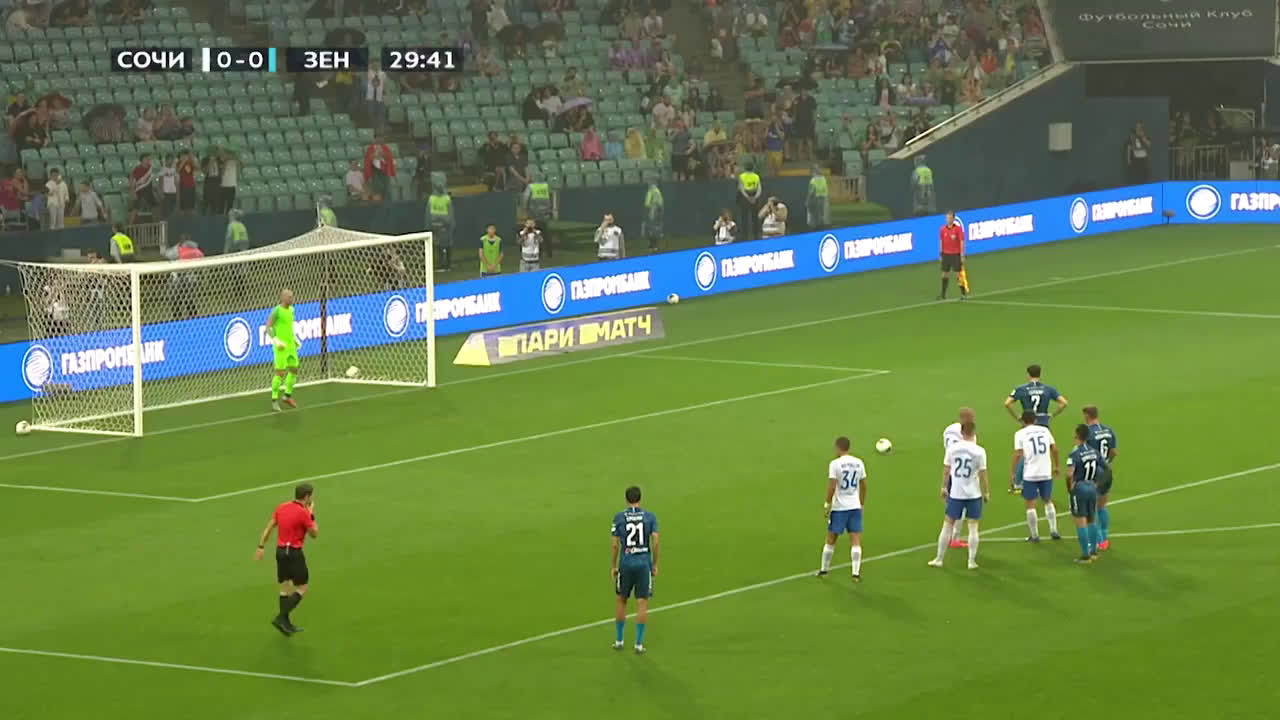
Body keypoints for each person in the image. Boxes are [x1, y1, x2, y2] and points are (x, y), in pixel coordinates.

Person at [253, 482, 318, 635]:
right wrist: (311, 514)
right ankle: (281, 618)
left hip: (280, 552)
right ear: (307, 496)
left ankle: (285, 623)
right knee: (302, 588)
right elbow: (314, 534)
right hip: (294, 553)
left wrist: (261, 546)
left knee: (285, 588)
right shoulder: (303, 512)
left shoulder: (281, 507)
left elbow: (269, 527)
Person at [929, 419, 989, 570]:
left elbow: (946, 470)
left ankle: (939, 559)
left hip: (956, 493)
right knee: (973, 527)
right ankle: (971, 562)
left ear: (961, 432)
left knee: (947, 524)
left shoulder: (952, 449)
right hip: (974, 494)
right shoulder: (979, 451)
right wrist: (986, 492)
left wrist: (944, 487)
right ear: (974, 432)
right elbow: (983, 474)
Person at [1004, 364, 1068, 493]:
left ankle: (1018, 482)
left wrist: (1017, 417)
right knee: (1042, 451)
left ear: (1028, 374)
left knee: (1024, 452)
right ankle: (1039, 481)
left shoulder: (1021, 389)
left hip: (1027, 422)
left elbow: (1007, 403)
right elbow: (1064, 403)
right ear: (1040, 374)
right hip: (1043, 423)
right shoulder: (1048, 389)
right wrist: (1052, 415)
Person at [611, 485, 659, 654]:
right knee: (642, 602)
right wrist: (654, 564)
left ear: (626, 499)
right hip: (643, 563)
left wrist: (613, 565)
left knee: (621, 600)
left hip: (626, 563)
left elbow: (615, 545)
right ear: (640, 499)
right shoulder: (650, 517)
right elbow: (655, 542)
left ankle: (619, 640)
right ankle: (638, 644)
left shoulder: (619, 518)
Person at [817, 436, 868, 581]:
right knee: (855, 539)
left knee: (831, 539)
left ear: (837, 448)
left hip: (839, 508)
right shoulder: (859, 462)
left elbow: (832, 486)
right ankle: (855, 573)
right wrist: (861, 504)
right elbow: (864, 485)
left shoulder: (835, 464)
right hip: (854, 506)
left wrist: (827, 504)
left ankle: (824, 570)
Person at [1013, 410, 1061, 542]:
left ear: (1023, 421)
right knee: (1048, 500)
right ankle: (1054, 530)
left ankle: (1034, 535)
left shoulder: (1020, 433)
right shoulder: (1045, 430)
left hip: (1030, 474)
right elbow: (1055, 449)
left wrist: (1013, 473)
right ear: (1035, 420)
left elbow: (1018, 454)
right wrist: (1057, 466)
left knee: (1030, 504)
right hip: (1045, 472)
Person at [1065, 424, 1104, 563]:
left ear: (1076, 435)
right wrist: (1096, 483)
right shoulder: (1095, 452)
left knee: (1080, 520)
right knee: (1092, 519)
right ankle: (1094, 551)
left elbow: (1069, 474)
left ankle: (1085, 555)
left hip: (1080, 488)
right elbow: (1103, 469)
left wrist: (1070, 487)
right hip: (1092, 487)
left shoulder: (1074, 454)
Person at [1082, 406, 1118, 550]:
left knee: (1090, 509)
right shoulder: (1108, 430)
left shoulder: (1087, 433)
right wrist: (1107, 463)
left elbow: (1085, 454)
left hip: (1093, 474)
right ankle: (1104, 539)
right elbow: (1113, 451)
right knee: (1102, 506)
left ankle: (1097, 540)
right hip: (1106, 472)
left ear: (1087, 415)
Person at [941, 407, 977, 548]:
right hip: (963, 475)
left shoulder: (948, 429)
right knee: (960, 507)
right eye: (971, 418)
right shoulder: (969, 434)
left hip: (951, 471)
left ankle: (951, 536)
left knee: (952, 506)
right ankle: (954, 538)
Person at [267, 289, 302, 412]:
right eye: (289, 297)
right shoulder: (277, 310)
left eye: (292, 297)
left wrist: (295, 339)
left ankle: (287, 395)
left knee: (294, 369)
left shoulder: (292, 310)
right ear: (283, 298)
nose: (291, 299)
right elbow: (268, 326)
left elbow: (289, 327)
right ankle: (274, 399)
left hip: (291, 345)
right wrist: (276, 340)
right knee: (280, 373)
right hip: (281, 346)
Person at [937, 210, 968, 300]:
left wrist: (962, 255)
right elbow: (941, 241)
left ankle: (963, 293)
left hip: (955, 254)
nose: (948, 219)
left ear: (953, 219)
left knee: (958, 274)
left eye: (950, 218)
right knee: (944, 274)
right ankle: (943, 294)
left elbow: (962, 241)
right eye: (947, 218)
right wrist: (941, 253)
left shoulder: (958, 229)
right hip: (946, 254)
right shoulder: (942, 229)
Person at [427, 172, 453, 271]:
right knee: (439, 245)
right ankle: (442, 264)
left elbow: (450, 212)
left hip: (444, 224)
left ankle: (447, 264)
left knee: (447, 244)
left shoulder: (446, 198)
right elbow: (429, 213)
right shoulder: (432, 198)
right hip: (437, 225)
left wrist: (448, 223)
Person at [523, 175, 553, 258]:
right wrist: (550, 210)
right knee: (545, 233)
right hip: (544, 214)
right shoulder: (546, 186)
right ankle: (549, 252)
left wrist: (526, 209)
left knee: (534, 233)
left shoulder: (531, 187)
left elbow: (526, 198)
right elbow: (551, 197)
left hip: (533, 213)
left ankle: (538, 252)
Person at [736, 159, 762, 241]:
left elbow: (741, 188)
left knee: (744, 218)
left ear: (744, 168)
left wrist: (747, 197)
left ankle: (745, 237)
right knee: (755, 218)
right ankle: (756, 235)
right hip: (754, 195)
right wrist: (755, 197)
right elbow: (759, 188)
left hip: (745, 198)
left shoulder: (742, 176)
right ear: (753, 168)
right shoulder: (756, 176)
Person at [806, 165, 828, 231]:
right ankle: (822, 226)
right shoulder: (823, 178)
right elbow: (825, 188)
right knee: (822, 213)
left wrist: (808, 200)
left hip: (815, 198)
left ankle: (815, 227)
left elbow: (811, 191)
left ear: (813, 172)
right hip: (823, 197)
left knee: (815, 213)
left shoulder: (813, 180)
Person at [642, 182, 663, 251]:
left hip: (653, 209)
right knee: (651, 227)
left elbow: (655, 202)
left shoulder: (654, 191)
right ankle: (652, 245)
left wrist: (652, 210)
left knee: (652, 227)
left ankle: (654, 245)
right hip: (652, 209)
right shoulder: (654, 191)